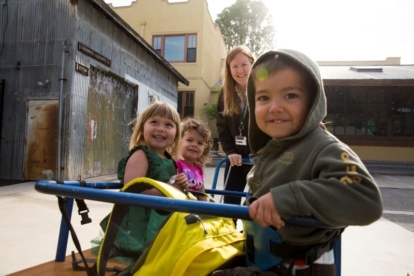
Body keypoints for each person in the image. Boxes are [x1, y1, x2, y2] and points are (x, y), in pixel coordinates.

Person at [245, 49, 383, 275]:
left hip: (303, 265)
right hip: (263, 257)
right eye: (263, 97)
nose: (275, 107)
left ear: (313, 103)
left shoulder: (323, 147)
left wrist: (289, 197)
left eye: (290, 95)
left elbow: (366, 199)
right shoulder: (273, 147)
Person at [118, 101, 188, 192]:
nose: (160, 129)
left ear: (176, 134)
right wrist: (170, 188)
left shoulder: (169, 160)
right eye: (154, 122)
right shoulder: (140, 156)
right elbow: (131, 192)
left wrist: (180, 183)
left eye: (168, 125)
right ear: (142, 129)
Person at [216, 45, 255, 205]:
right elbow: (222, 126)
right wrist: (230, 151)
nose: (240, 71)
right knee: (230, 202)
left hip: (259, 160)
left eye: (244, 64)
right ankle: (229, 229)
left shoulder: (263, 89)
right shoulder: (226, 93)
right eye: (235, 66)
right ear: (229, 69)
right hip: (236, 159)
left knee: (256, 204)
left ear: (252, 63)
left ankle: (252, 231)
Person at [176, 117, 212, 201]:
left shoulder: (199, 167)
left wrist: (205, 210)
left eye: (200, 143)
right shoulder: (177, 163)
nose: (194, 145)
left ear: (204, 147)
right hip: (180, 206)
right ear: (179, 141)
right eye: (189, 140)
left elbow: (201, 191)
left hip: (194, 207)